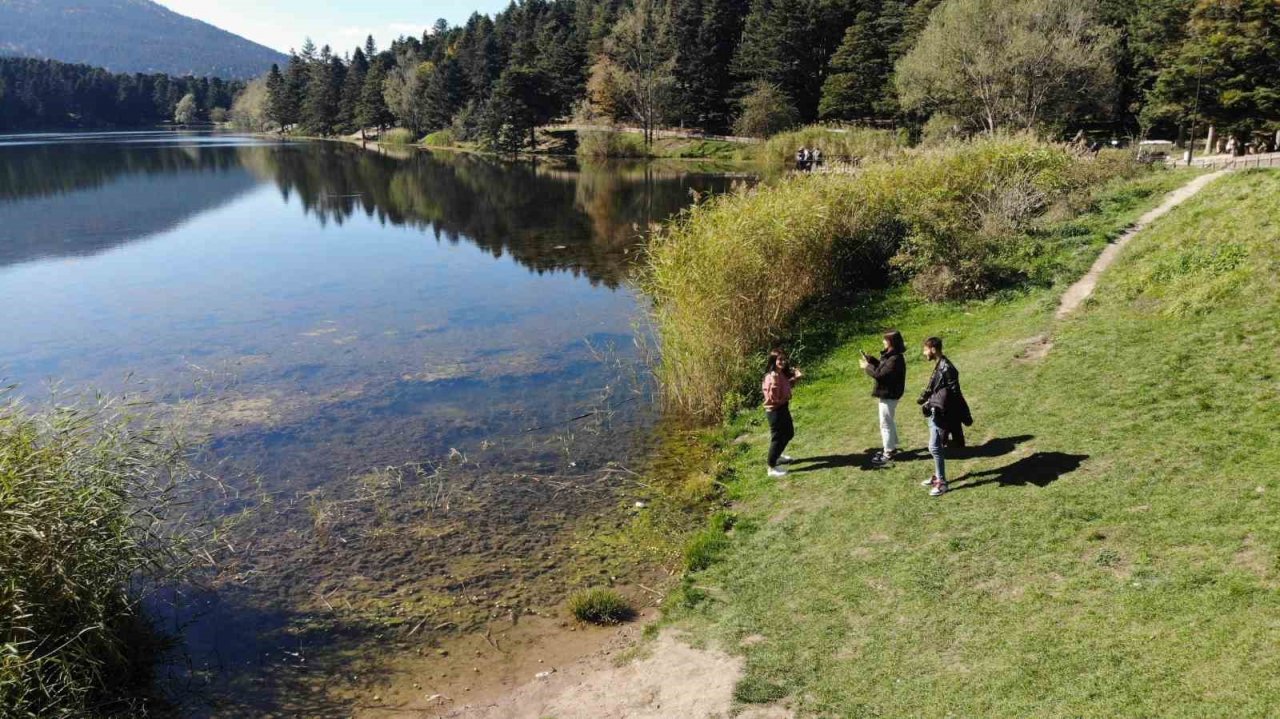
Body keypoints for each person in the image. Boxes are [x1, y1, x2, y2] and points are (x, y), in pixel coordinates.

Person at [916, 336, 971, 496]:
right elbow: (935, 387)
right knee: (934, 447)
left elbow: (955, 393)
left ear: (933, 349)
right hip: (935, 411)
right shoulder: (940, 365)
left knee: (934, 447)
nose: (924, 353)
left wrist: (952, 415)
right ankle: (938, 476)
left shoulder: (947, 368)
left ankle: (942, 483)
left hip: (943, 414)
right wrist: (925, 399)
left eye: (925, 349)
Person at [859, 330, 907, 466]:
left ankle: (888, 452)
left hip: (890, 395)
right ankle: (892, 447)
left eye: (885, 340)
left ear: (891, 342)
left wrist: (866, 367)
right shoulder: (891, 356)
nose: (883, 342)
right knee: (888, 420)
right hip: (889, 394)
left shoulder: (895, 359)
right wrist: (872, 360)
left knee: (885, 423)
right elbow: (882, 368)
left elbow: (880, 375)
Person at [763, 348, 803, 477]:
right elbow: (774, 399)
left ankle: (777, 456)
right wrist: (786, 396)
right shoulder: (772, 376)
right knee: (777, 439)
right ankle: (771, 467)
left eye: (784, 359)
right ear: (773, 361)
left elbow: (785, 387)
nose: (783, 361)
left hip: (782, 408)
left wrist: (796, 379)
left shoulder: (780, 374)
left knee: (789, 433)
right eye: (780, 359)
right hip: (775, 412)